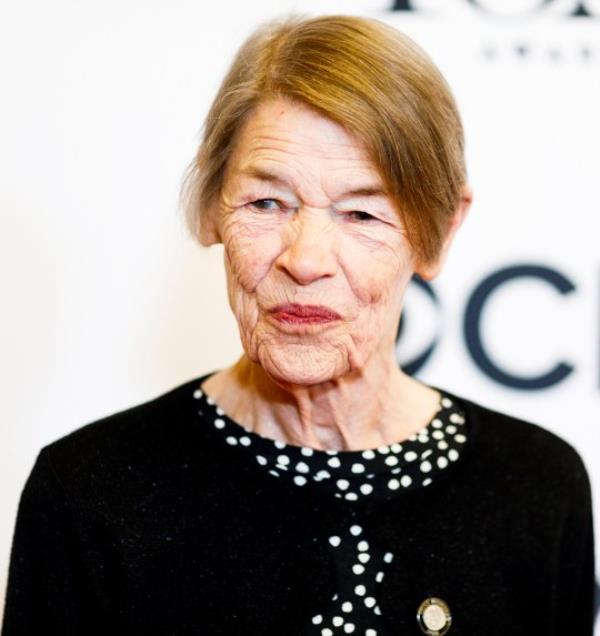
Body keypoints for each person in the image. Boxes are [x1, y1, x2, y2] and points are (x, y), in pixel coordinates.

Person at [1, 13, 595, 636]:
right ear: (210, 207)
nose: (305, 260)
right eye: (266, 203)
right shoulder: (91, 493)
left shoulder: (535, 487)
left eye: (362, 213)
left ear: (439, 233)